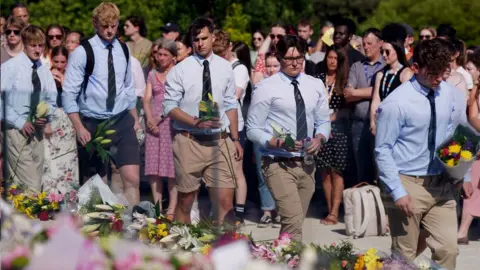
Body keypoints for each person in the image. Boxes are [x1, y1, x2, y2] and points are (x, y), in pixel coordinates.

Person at [375, 39, 472, 270]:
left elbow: (460, 132)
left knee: (448, 249)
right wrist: (397, 191)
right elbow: (383, 150)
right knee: (404, 256)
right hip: (407, 181)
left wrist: (463, 175)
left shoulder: (450, 94)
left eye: (443, 72)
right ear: (416, 68)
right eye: (433, 73)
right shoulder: (396, 103)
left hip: (442, 182)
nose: (439, 79)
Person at [247, 35, 330, 241]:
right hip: (277, 163)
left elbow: (324, 121)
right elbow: (252, 129)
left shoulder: (315, 84)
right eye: (289, 58)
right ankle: (296, 262)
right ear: (279, 57)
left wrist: (320, 138)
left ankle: (277, 259)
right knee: (293, 224)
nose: (295, 63)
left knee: (292, 225)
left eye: (299, 58)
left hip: (307, 164)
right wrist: (277, 142)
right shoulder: (266, 87)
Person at [163, 17, 242, 224]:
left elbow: (231, 105)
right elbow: (169, 107)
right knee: (186, 201)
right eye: (196, 39)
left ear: (213, 37)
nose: (200, 43)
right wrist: (195, 122)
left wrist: (235, 139)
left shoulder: (225, 68)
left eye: (204, 38)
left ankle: (226, 249)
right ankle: (183, 250)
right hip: (189, 140)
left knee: (226, 203)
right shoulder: (180, 69)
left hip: (220, 140)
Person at [62, 2, 141, 204]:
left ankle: (133, 225)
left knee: (132, 178)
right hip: (93, 121)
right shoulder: (82, 52)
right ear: (95, 23)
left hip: (121, 119)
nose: (109, 30)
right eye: (105, 25)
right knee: (96, 182)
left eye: (113, 25)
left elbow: (127, 87)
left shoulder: (123, 49)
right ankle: (95, 228)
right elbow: (69, 93)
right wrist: (78, 127)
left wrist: (135, 118)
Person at [1, 25, 57, 192]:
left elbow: (52, 100)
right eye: (33, 45)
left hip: (37, 130)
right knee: (31, 183)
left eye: (41, 45)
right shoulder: (10, 67)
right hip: (15, 129)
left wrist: (46, 116)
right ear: (24, 44)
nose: (37, 49)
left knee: (32, 180)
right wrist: (20, 121)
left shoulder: (44, 70)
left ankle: (21, 215)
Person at [213, 31, 250, 226]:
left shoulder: (239, 68)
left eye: (221, 52)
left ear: (230, 48)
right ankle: (219, 210)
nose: (219, 56)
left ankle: (240, 212)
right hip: (215, 125)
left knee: (236, 171)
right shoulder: (214, 65)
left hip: (235, 126)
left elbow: (233, 96)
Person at [344, 28, 385, 184]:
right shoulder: (357, 66)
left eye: (369, 43)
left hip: (381, 124)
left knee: (380, 168)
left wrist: (358, 92)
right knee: (362, 168)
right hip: (359, 124)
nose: (366, 47)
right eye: (364, 44)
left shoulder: (386, 65)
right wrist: (374, 91)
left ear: (380, 43)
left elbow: (383, 92)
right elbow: (348, 93)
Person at [316, 45, 350, 225]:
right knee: (324, 173)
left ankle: (335, 213)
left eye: (335, 58)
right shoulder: (318, 78)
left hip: (338, 130)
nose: (331, 61)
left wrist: (330, 118)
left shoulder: (345, 80)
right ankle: (329, 210)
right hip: (320, 129)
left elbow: (347, 109)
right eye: (329, 57)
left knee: (336, 172)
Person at [144, 39, 177, 220]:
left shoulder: (177, 73)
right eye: (159, 54)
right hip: (153, 126)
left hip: (171, 122)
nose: (161, 58)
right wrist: (150, 119)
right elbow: (147, 99)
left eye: (165, 54)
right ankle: (157, 207)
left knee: (171, 168)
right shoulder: (152, 74)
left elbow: (176, 98)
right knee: (153, 168)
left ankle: (172, 208)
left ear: (173, 56)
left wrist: (159, 118)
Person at [42, 45, 79, 194]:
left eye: (62, 62)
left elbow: (77, 101)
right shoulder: (45, 74)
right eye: (56, 61)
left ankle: (67, 197)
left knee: (67, 161)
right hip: (51, 120)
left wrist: (64, 84)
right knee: (50, 161)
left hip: (68, 123)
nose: (58, 65)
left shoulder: (73, 77)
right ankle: (49, 198)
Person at [254, 51, 281, 228]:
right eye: (268, 65)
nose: (271, 69)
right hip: (262, 133)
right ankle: (266, 211)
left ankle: (279, 210)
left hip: (280, 133)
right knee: (262, 172)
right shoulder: (259, 85)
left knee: (280, 172)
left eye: (275, 65)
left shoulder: (286, 85)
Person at [370, 34, 414, 135]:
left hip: (398, 124)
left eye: (387, 52)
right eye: (382, 52)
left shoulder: (406, 73)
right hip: (381, 122)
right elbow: (376, 99)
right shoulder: (380, 74)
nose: (384, 55)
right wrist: (372, 123)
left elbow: (406, 102)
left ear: (397, 51)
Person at [459, 51, 480, 245]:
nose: (467, 72)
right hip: (476, 139)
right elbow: (472, 117)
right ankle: (463, 230)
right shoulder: (475, 89)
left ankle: (463, 230)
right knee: (471, 185)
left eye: (470, 69)